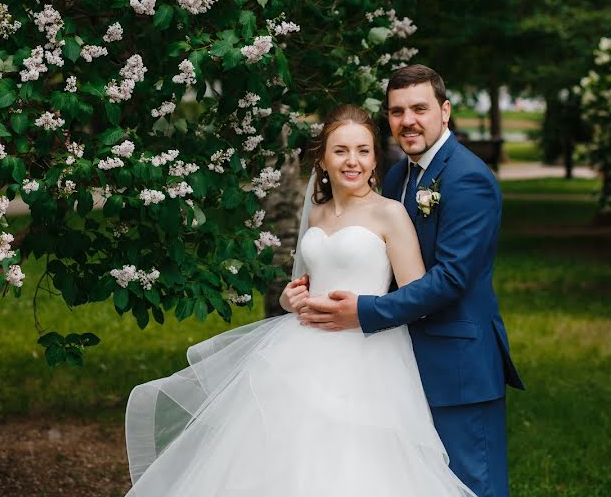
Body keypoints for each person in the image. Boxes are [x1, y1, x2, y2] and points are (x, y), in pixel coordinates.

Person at [124, 104, 475, 496]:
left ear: (375, 159)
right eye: (341, 150)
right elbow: (308, 281)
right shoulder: (318, 216)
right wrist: (294, 299)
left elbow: (417, 295)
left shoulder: (390, 214)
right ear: (322, 159)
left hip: (368, 354)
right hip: (303, 347)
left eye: (363, 150)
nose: (352, 161)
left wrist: (362, 311)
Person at [300, 65, 525, 496]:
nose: (408, 121)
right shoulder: (401, 174)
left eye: (419, 108)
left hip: (458, 363)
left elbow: (451, 279)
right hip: (399, 360)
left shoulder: (468, 178)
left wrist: (362, 311)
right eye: (398, 111)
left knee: (471, 484)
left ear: (445, 111)